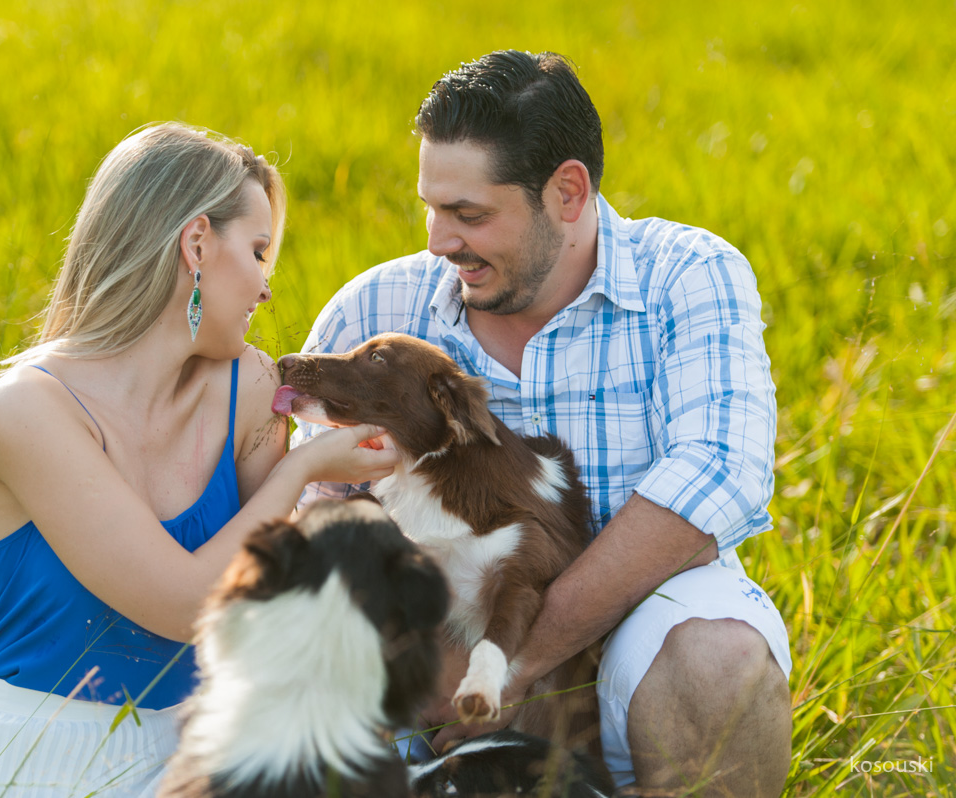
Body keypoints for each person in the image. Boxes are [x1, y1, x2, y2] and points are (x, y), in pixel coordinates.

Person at [291, 51, 792, 796]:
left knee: (720, 663)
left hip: (643, 613)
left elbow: (718, 469)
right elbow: (310, 510)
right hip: (437, 636)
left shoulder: (686, 275)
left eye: (469, 215)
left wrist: (518, 657)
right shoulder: (377, 311)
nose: (437, 241)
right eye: (431, 207)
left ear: (566, 193)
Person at [0, 123, 399, 797]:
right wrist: (301, 471)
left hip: (193, 743)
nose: (266, 288)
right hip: (28, 753)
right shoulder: (28, 409)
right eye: (258, 252)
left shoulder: (250, 389)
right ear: (196, 243)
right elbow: (182, 606)